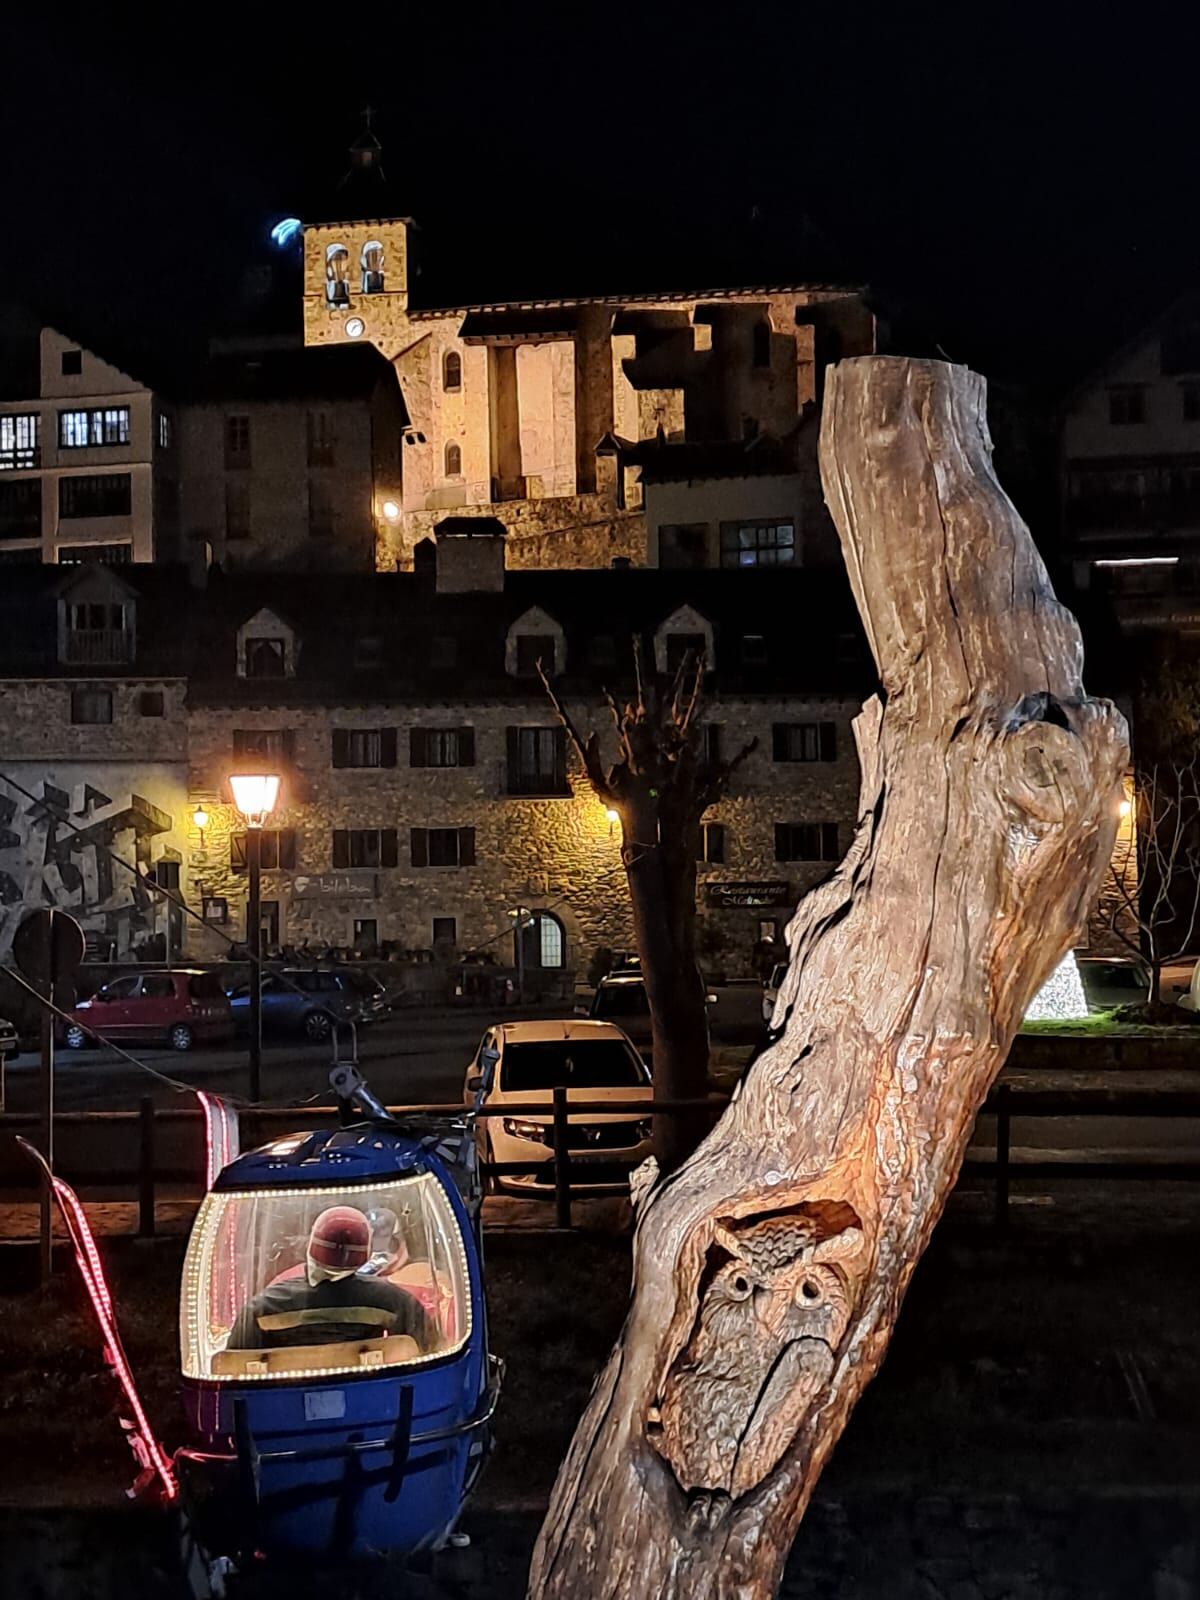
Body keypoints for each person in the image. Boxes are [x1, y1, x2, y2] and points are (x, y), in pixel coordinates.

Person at [229, 1205, 433, 1352]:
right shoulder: (396, 1301)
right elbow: (431, 1350)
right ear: (365, 1253)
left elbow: (233, 1365)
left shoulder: (260, 1308)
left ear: (311, 1246)